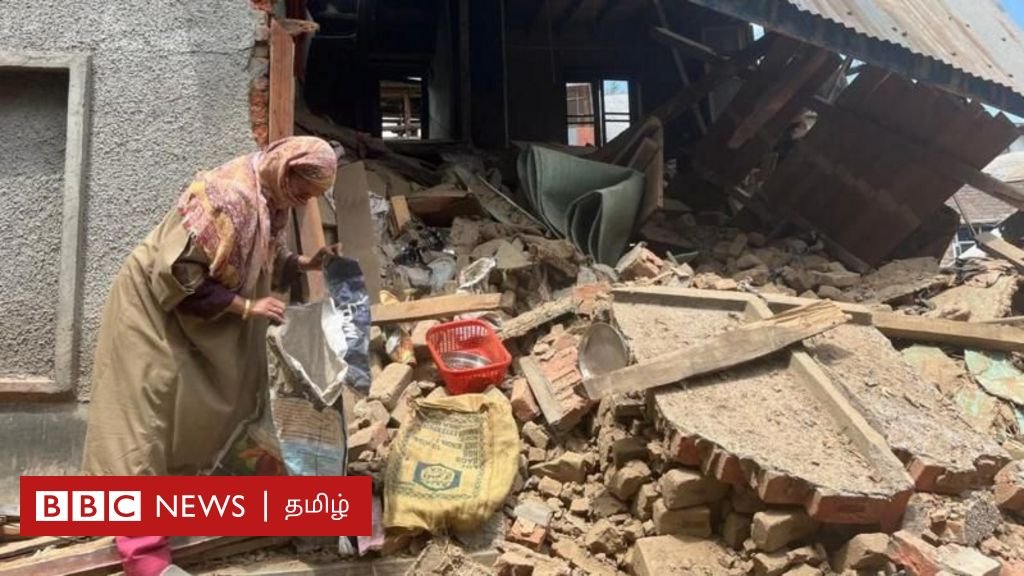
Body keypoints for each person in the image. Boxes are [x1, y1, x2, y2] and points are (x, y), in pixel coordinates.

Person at [81, 136, 340, 576]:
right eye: (304, 191)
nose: (303, 202)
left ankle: (172, 512)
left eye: (313, 197)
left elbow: (260, 251)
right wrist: (247, 307)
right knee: (145, 419)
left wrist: (304, 264)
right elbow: (178, 274)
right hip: (151, 306)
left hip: (186, 311)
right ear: (287, 169)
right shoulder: (229, 197)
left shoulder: (266, 198)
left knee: (193, 411)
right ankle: (144, 557)